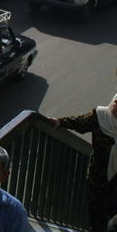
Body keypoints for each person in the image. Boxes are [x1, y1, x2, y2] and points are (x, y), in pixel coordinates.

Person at [49, 93, 117, 232]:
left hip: (111, 184)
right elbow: (80, 123)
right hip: (97, 181)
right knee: (97, 219)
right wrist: (60, 122)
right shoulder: (100, 116)